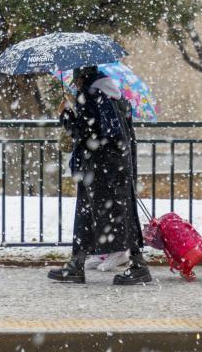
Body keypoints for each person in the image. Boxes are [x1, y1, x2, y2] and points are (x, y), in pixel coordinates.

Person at [47, 65, 150, 285]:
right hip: (116, 166)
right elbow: (120, 133)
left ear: (82, 77)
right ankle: (80, 263)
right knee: (118, 213)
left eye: (76, 81)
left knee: (89, 214)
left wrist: (66, 115)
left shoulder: (90, 95)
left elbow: (85, 133)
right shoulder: (115, 96)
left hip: (97, 167)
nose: (76, 85)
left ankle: (136, 266)